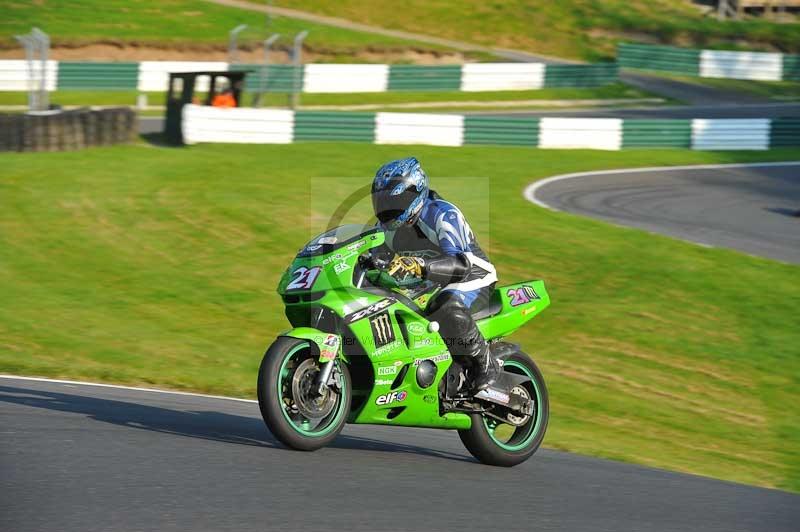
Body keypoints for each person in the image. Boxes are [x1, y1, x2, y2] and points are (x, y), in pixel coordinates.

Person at [371, 157, 499, 390]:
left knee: (444, 304)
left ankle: (486, 363)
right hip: (426, 287)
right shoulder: (384, 229)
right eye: (381, 202)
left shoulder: (442, 214)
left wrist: (421, 265)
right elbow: (370, 256)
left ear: (414, 193)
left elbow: (460, 264)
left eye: (394, 202)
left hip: (472, 278)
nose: (386, 210)